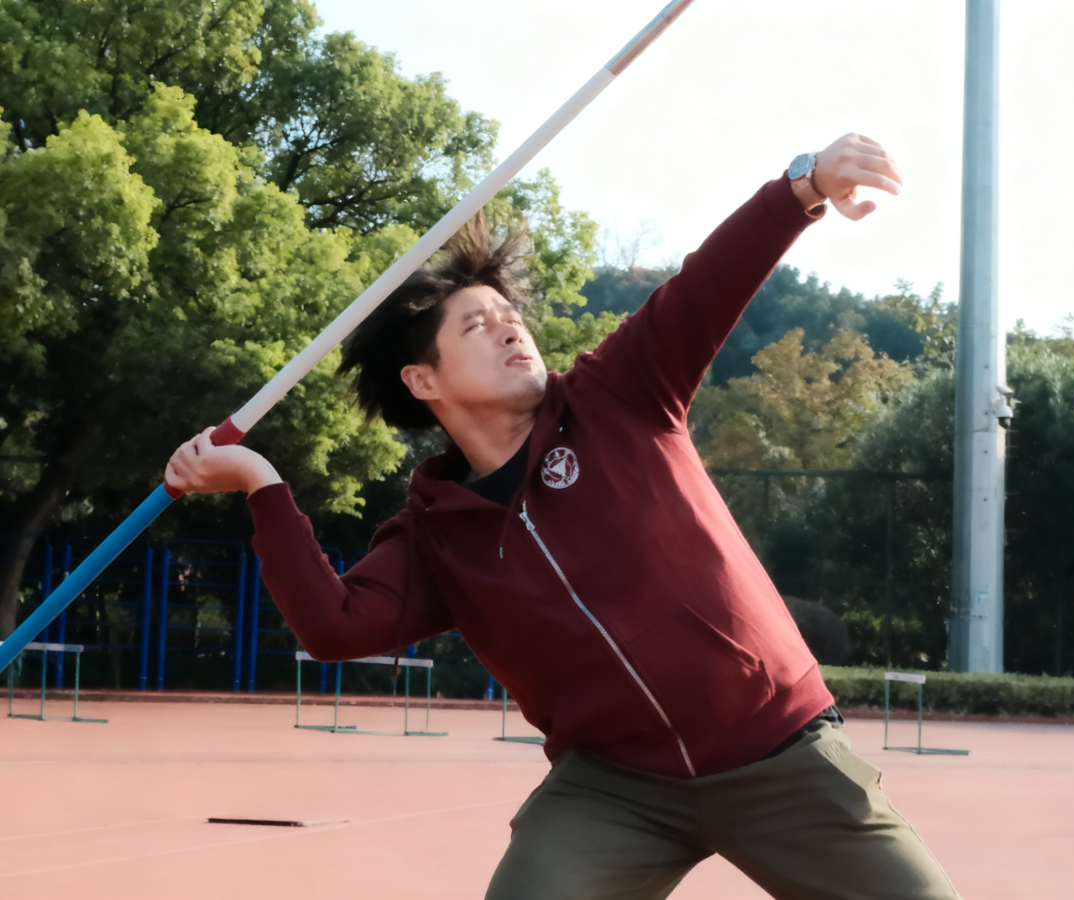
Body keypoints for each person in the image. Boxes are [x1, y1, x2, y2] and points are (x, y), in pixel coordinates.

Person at [165, 132, 961, 900]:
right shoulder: (436, 535)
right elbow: (334, 627)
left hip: (778, 749)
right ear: (422, 381)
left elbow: (706, 284)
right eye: (476, 325)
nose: (509, 328)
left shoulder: (621, 394)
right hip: (616, 790)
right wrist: (260, 483)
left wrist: (804, 186)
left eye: (509, 316)